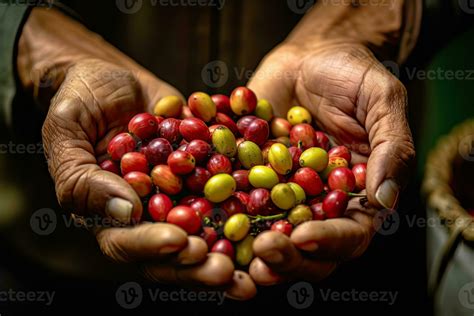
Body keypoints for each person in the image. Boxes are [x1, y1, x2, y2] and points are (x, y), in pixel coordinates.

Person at [0, 0, 431, 304]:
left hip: (363, 257)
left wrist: (354, 24)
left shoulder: (256, 157)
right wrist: (42, 50)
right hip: (61, 262)